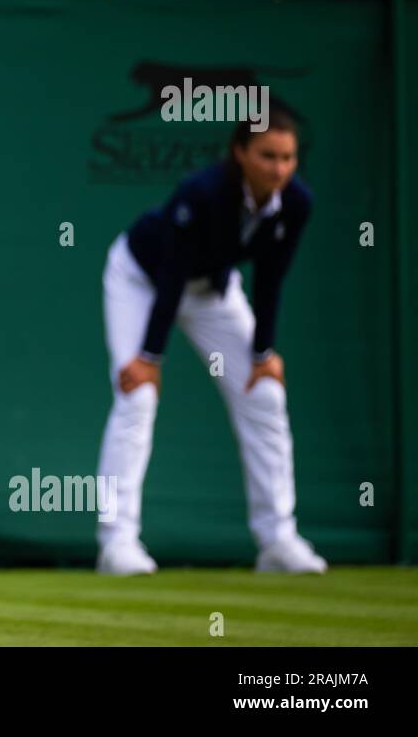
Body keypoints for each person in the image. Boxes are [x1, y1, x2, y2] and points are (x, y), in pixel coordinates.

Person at [94, 107, 327, 575]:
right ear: (239, 153)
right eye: (267, 156)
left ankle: (277, 538)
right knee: (136, 395)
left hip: (214, 294)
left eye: (288, 158)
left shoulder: (297, 202)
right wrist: (149, 359)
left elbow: (271, 278)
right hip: (142, 280)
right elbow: (172, 275)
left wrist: (263, 353)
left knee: (266, 393)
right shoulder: (200, 193)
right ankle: (117, 544)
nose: (278, 169)